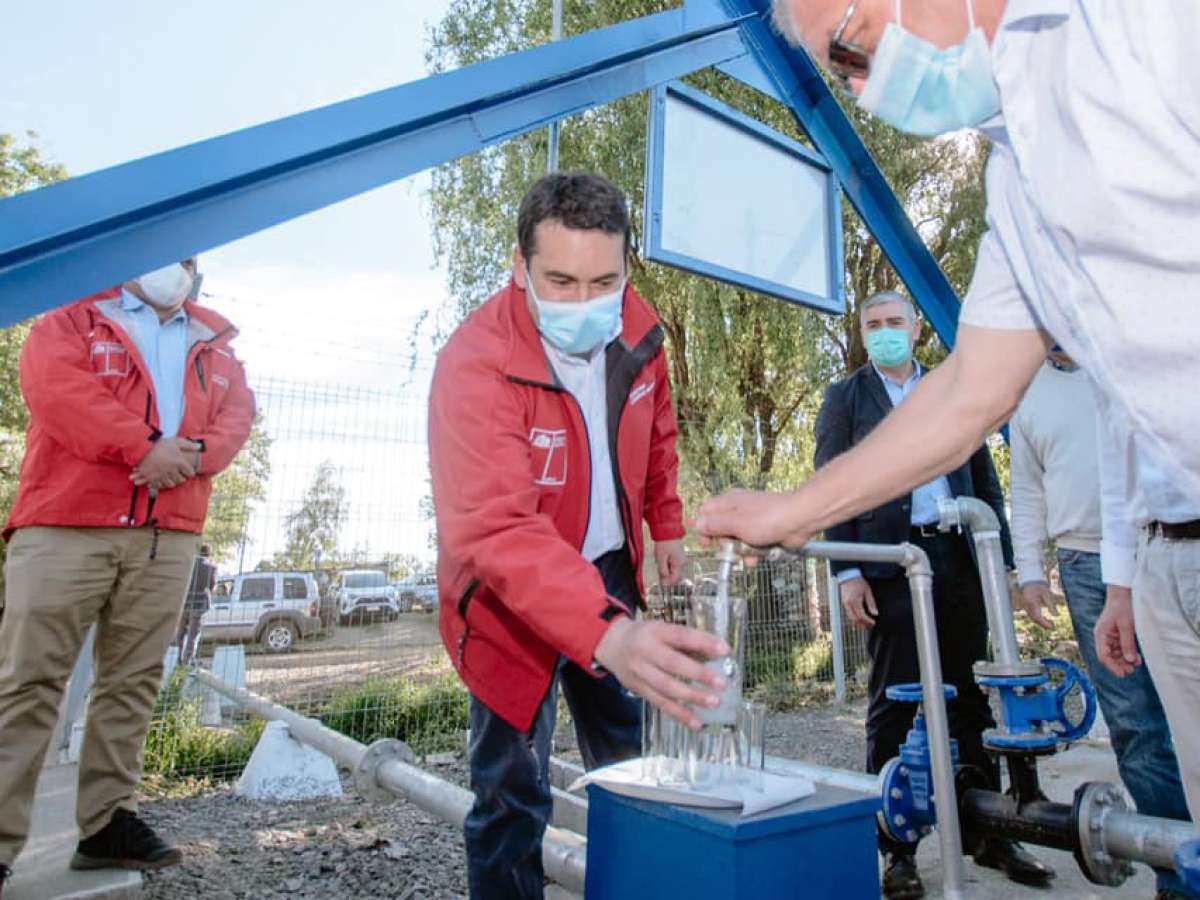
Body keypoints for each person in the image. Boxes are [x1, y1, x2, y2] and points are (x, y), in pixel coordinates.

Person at [428, 171, 728, 899]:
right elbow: (497, 529)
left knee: (629, 763)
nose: (586, 302)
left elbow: (659, 434)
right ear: (518, 266)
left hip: (611, 574)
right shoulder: (473, 363)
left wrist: (666, 526)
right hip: (507, 603)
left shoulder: (640, 332)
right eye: (560, 280)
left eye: (605, 280)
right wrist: (611, 636)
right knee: (510, 791)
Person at [0, 258, 254, 892]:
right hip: (68, 522)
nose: (179, 268)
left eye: (191, 259)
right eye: (169, 252)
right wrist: (143, 448)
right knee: (29, 682)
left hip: (167, 534)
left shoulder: (215, 342)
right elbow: (59, 393)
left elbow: (237, 416)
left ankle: (105, 822)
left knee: (133, 680)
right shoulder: (77, 315)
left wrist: (194, 456)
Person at [816, 291, 1048, 898]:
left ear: (916, 330)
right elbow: (830, 484)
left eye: (896, 322)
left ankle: (988, 831)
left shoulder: (951, 389)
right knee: (895, 706)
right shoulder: (847, 399)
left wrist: (1002, 561)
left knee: (971, 699)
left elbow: (984, 482)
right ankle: (896, 848)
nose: (885, 332)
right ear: (863, 334)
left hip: (957, 561)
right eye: (874, 325)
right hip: (890, 565)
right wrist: (848, 571)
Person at [1009, 347, 1192, 898]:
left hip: (1161, 544)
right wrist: (1032, 571)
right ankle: (1176, 872)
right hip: (1086, 564)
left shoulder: (1125, 356)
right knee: (1135, 721)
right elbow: (1024, 488)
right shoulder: (1023, 392)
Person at [1094, 407, 1200, 835]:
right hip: (1155, 552)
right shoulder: (1108, 343)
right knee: (1194, 759)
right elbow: (1116, 468)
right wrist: (1119, 588)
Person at [177, 543, 217, 664]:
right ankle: (187, 660)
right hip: (199, 604)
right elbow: (212, 585)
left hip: (184, 602)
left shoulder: (188, 564)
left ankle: (178, 656)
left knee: (181, 631)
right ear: (209, 554)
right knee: (193, 634)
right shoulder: (211, 567)